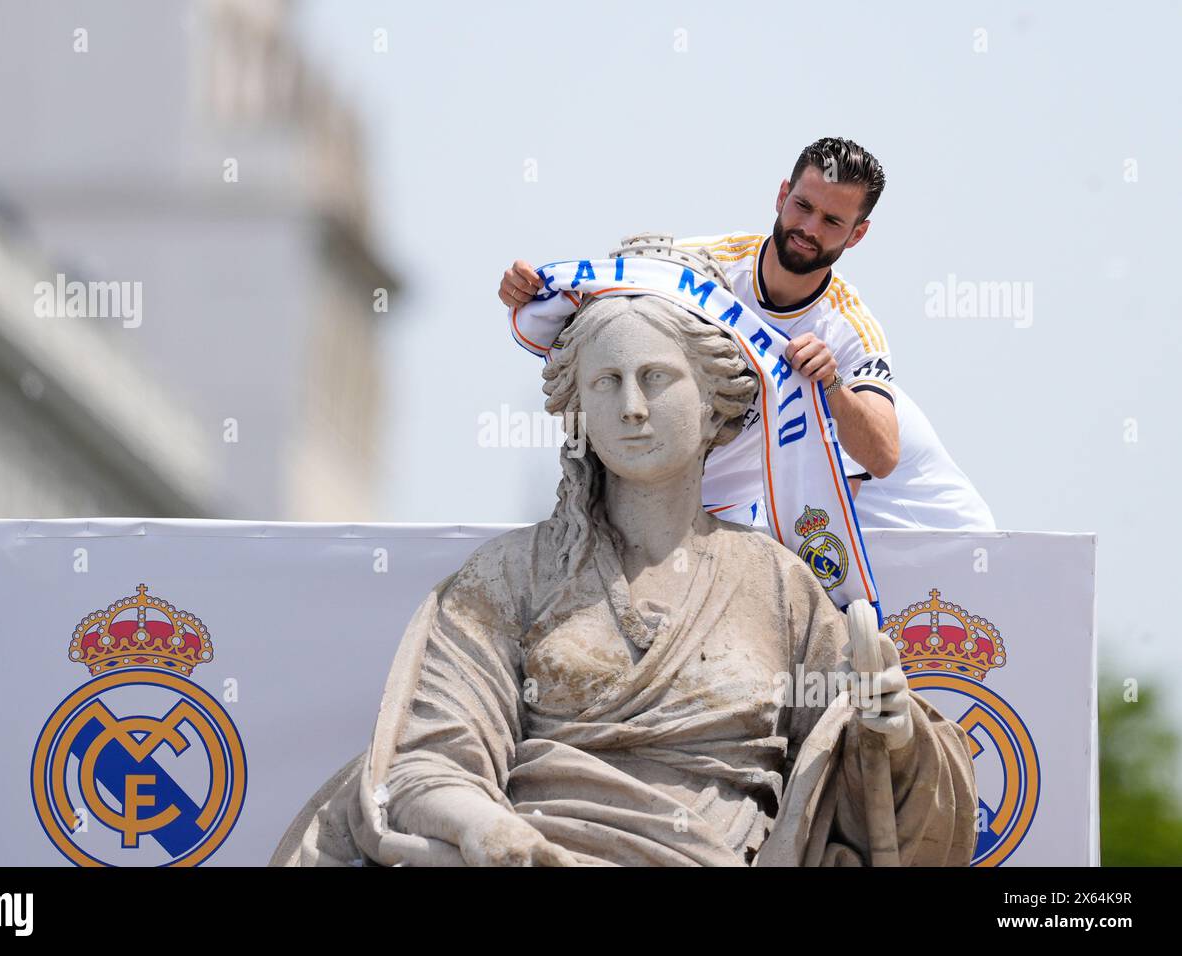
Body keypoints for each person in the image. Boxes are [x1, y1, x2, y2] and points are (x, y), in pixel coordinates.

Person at [272, 276, 977, 867]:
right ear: (578, 408)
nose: (632, 407)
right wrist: (483, 828)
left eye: (656, 378)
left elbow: (862, 782)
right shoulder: (511, 576)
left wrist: (893, 732)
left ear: (712, 407)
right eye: (606, 383)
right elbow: (426, 762)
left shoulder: (779, 585)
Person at [499, 137, 995, 532]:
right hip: (654, 497)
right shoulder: (699, 269)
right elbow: (589, 325)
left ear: (857, 234)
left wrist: (833, 387)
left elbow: (882, 455)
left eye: (831, 220)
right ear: (782, 195)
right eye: (802, 206)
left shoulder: (848, 329)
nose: (808, 227)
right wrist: (526, 291)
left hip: (746, 515)